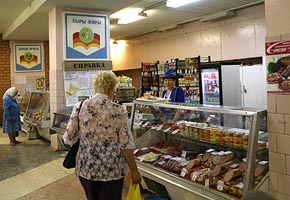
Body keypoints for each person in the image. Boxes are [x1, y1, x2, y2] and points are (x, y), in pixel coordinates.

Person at [63, 71, 141, 200]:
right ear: (110, 88)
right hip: (112, 170)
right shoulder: (118, 110)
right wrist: (134, 170)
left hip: (86, 167)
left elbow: (69, 137)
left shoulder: (80, 106)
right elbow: (125, 143)